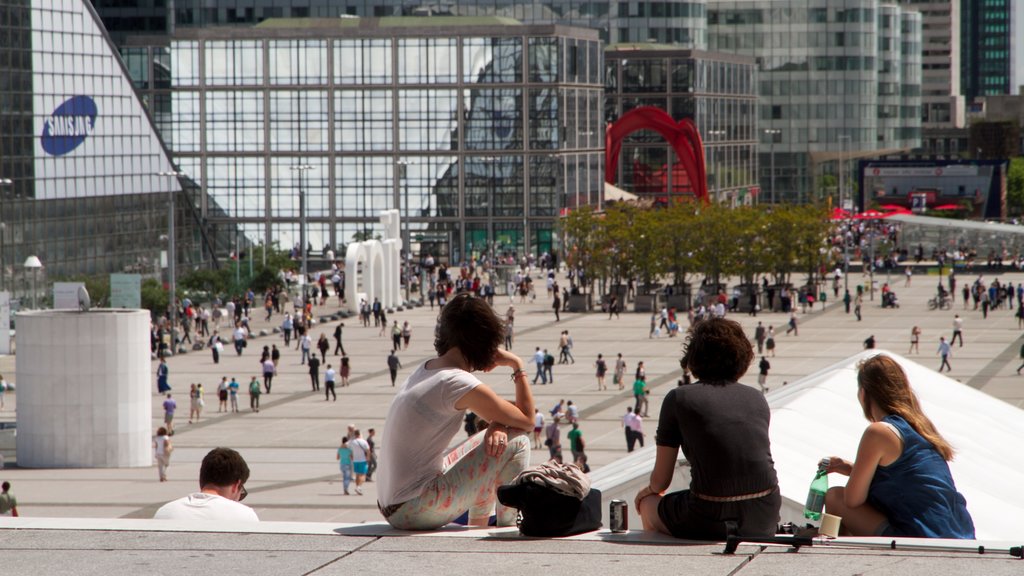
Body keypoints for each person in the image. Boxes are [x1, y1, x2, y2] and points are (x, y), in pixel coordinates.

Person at [377, 293, 535, 530]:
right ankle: (509, 528)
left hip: (394, 504)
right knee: (519, 442)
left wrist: (498, 424)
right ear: (485, 340)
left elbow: (505, 414)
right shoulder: (457, 382)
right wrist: (517, 365)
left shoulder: (428, 369)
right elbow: (528, 420)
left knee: (495, 446)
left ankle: (478, 527)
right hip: (414, 508)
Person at [635, 317, 780, 540]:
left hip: (708, 513)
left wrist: (646, 493)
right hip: (765, 514)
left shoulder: (679, 398)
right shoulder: (756, 397)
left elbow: (660, 481)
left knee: (648, 504)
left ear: (693, 358)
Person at [822, 355, 975, 538]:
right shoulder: (921, 427)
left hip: (921, 537)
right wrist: (850, 468)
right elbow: (907, 480)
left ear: (863, 393)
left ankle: (836, 558)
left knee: (835, 497)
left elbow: (852, 500)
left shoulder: (879, 432)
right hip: (957, 533)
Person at [154, 447, 259, 521]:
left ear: (202, 479)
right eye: (241, 494)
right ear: (236, 485)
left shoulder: (165, 513)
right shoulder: (245, 517)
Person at [349, 429, 371, 495]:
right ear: (360, 434)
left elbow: (350, 451)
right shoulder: (363, 441)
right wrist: (368, 458)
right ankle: (359, 487)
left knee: (357, 474)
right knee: (363, 475)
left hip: (355, 460)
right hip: (362, 460)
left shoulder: (352, 442)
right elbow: (368, 451)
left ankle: (358, 487)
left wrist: (352, 458)